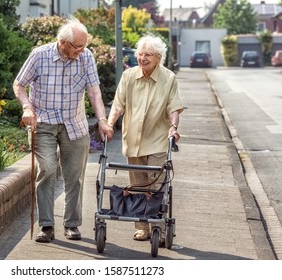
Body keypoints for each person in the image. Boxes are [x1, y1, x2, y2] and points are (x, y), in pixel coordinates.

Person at [13, 17, 114, 243]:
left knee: (75, 177)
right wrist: (27, 108)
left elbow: (94, 92)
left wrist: (102, 120)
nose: (82, 50)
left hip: (74, 124)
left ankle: (72, 225)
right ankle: (47, 226)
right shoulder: (40, 55)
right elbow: (18, 84)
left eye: (84, 46)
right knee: (47, 170)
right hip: (44, 123)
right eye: (77, 46)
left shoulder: (86, 57)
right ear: (63, 43)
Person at [107, 34, 184, 241]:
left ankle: (157, 226)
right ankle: (142, 227)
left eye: (148, 54)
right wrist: (109, 123)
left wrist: (174, 127)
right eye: (140, 54)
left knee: (157, 184)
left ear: (158, 57)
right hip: (133, 141)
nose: (142, 58)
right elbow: (118, 104)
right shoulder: (129, 76)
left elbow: (174, 106)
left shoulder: (168, 79)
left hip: (158, 140)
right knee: (138, 186)